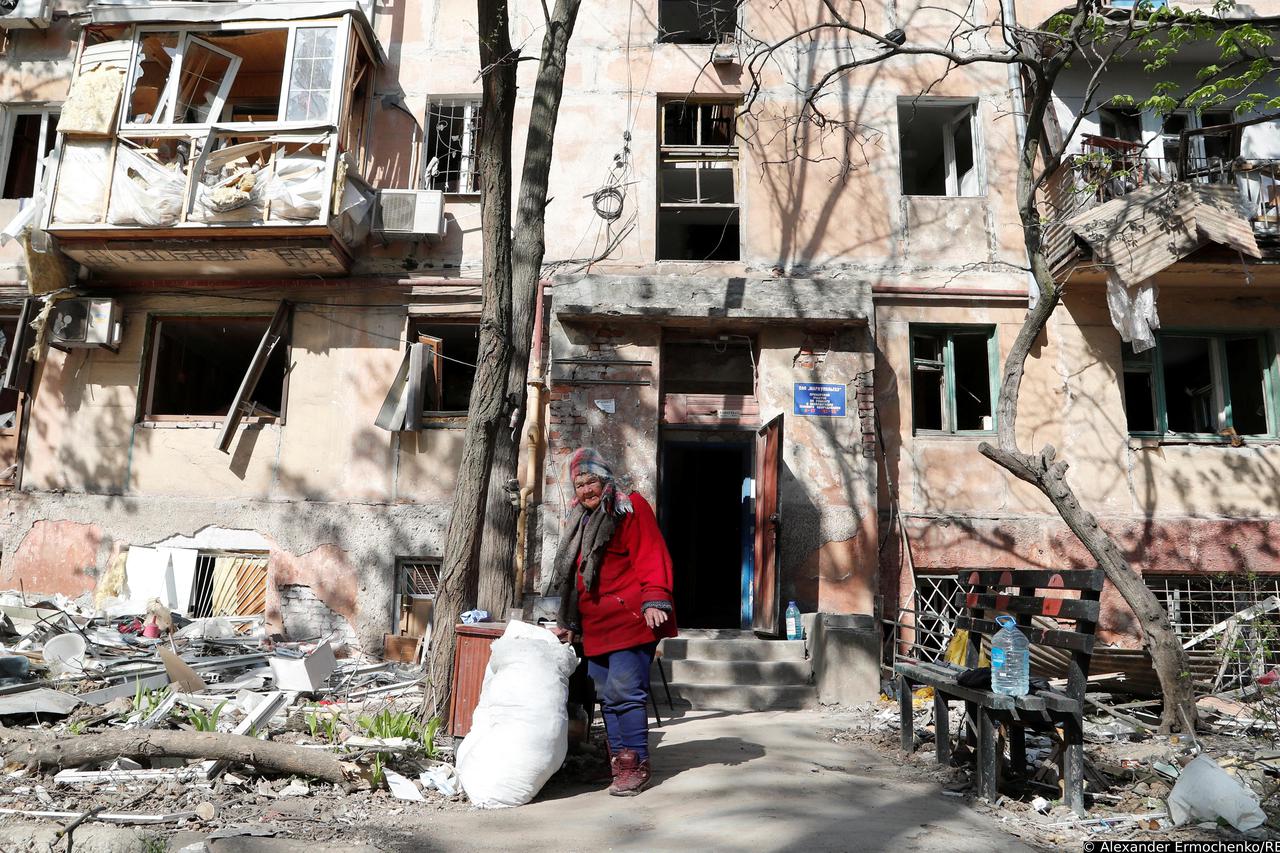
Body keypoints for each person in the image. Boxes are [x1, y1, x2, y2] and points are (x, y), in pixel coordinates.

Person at [548, 447, 677, 796]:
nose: (587, 490)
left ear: (605, 478)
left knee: (626, 693)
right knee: (607, 696)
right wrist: (569, 621)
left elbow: (651, 553)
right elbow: (576, 576)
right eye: (579, 485)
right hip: (597, 624)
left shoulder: (628, 506)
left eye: (591, 481)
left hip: (632, 618)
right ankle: (618, 764)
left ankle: (635, 765)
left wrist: (655, 598)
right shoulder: (580, 519)